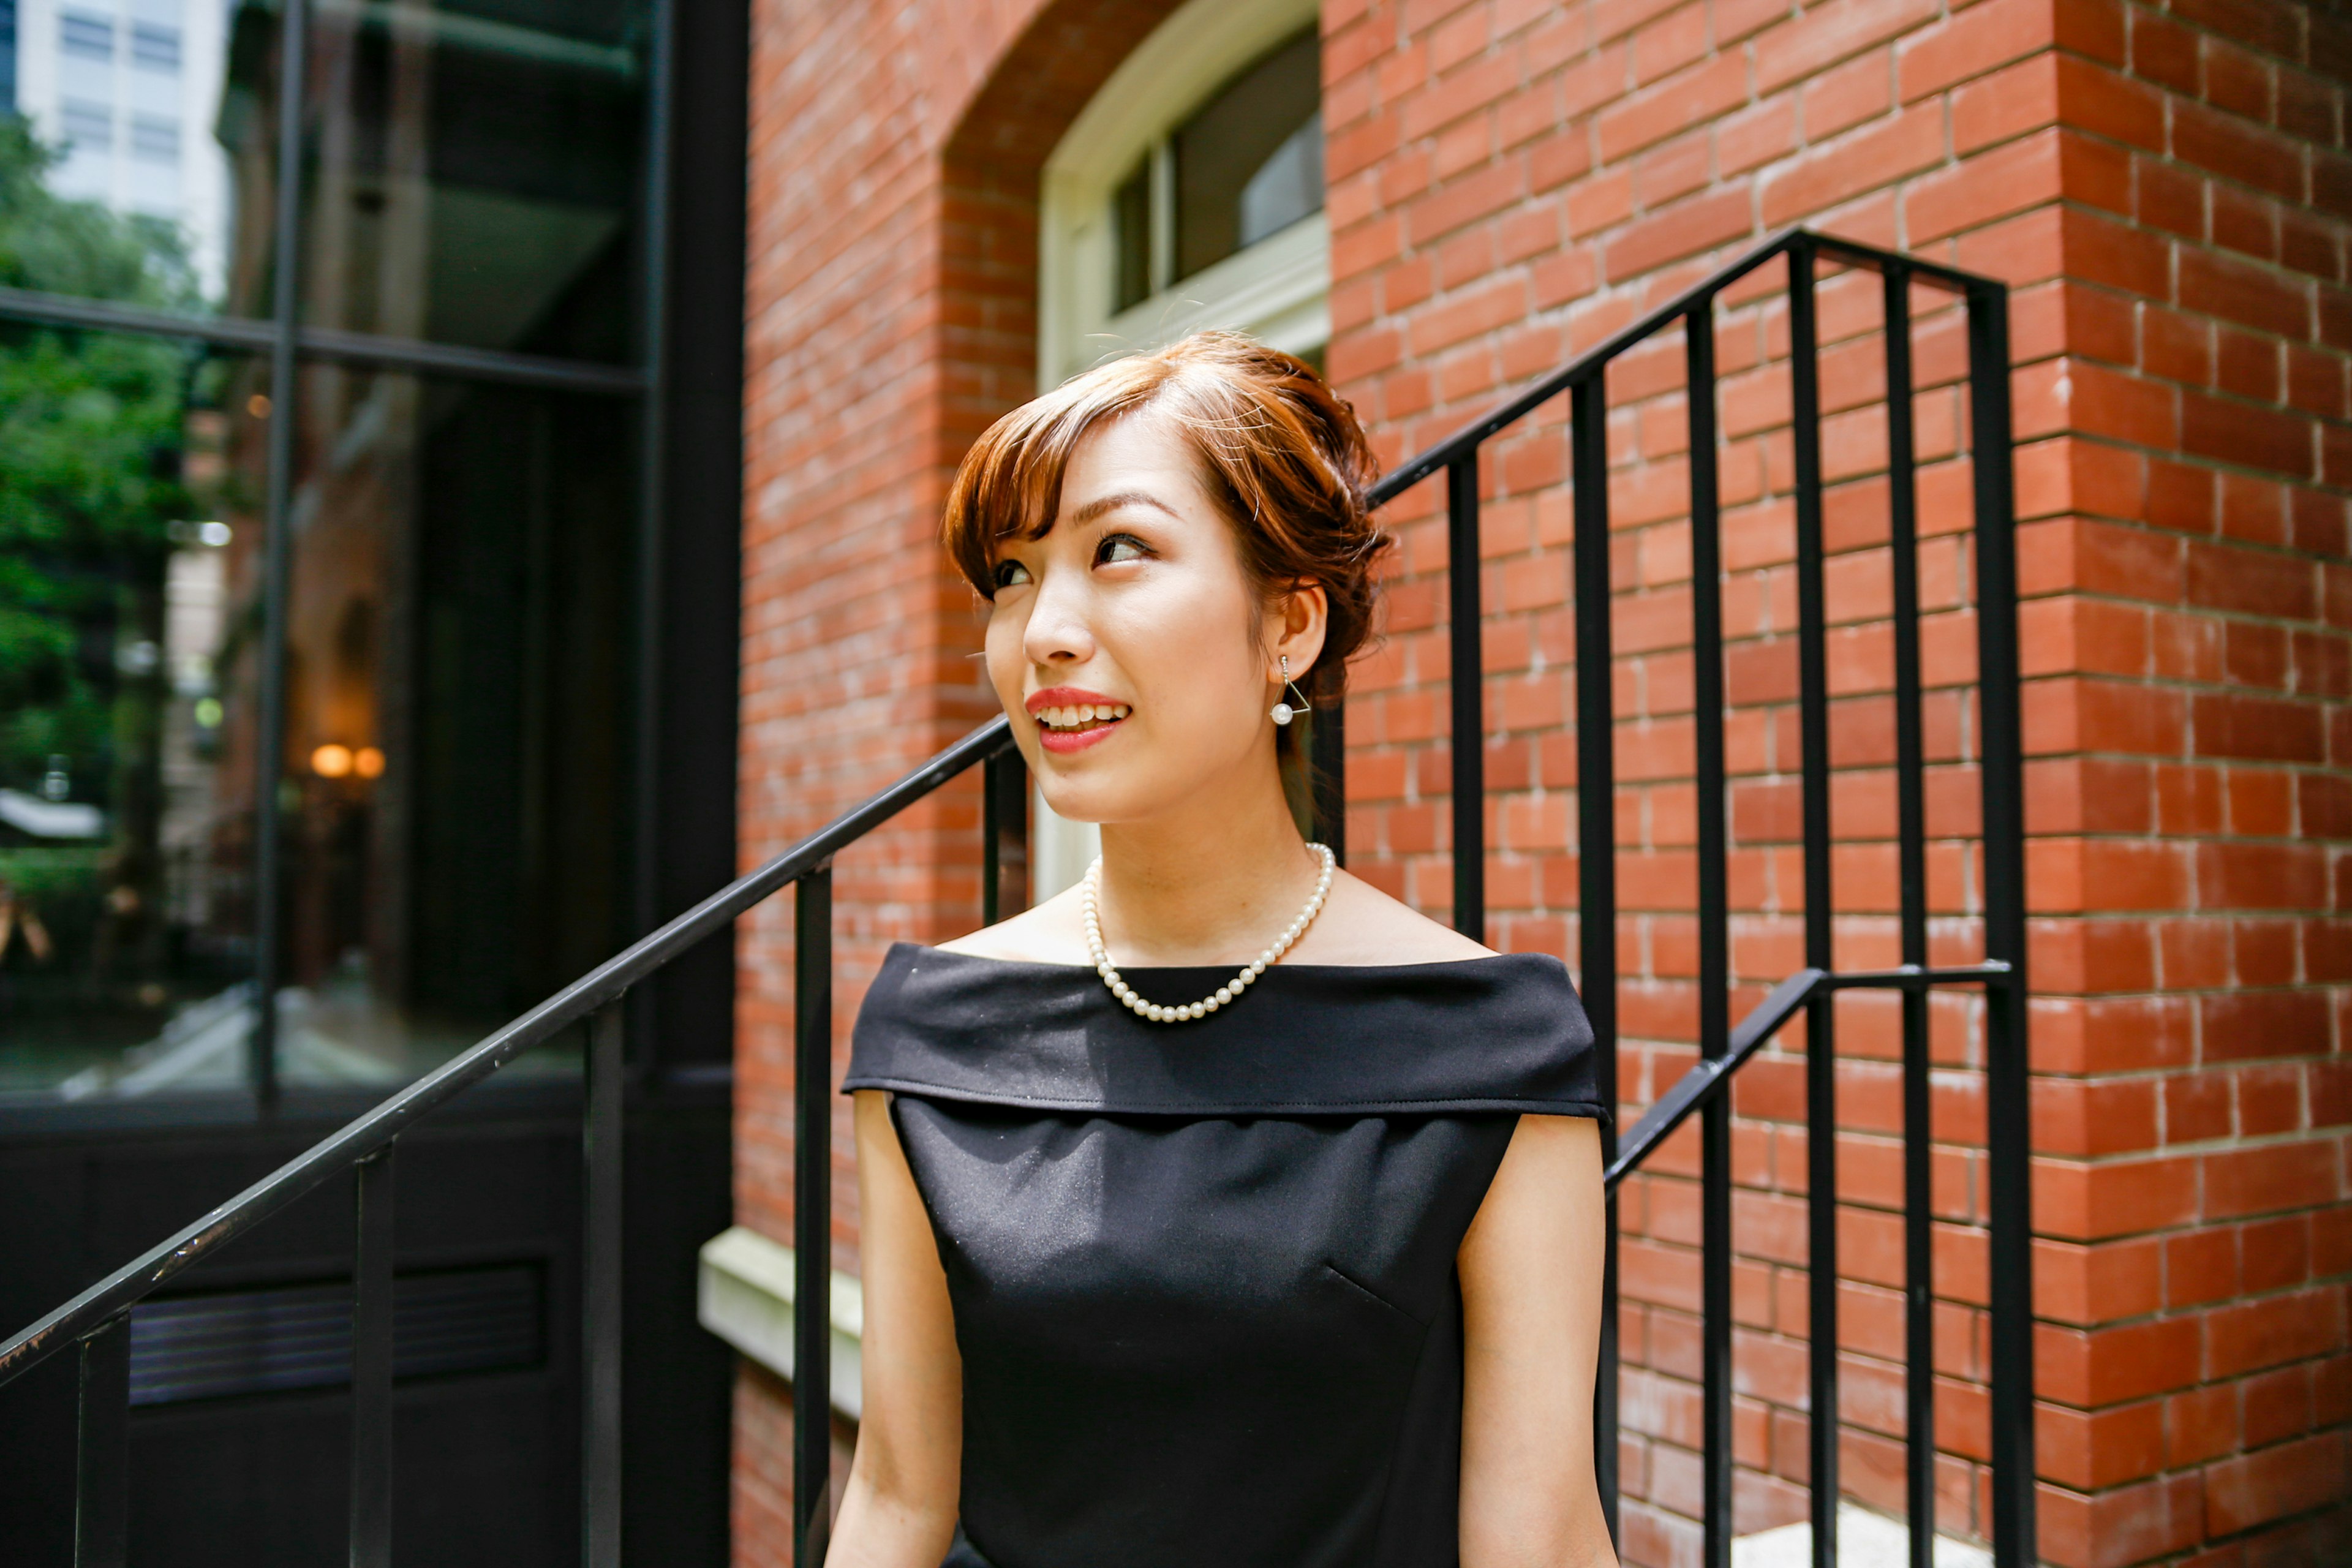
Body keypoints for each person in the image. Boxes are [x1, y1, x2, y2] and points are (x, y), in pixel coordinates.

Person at [829, 332, 1618, 1568]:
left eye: (1121, 549)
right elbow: (893, 1496)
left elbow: (1541, 1536)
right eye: (1013, 573)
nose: (1042, 629)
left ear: (1290, 623)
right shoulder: (931, 1030)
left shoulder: (1491, 1043)